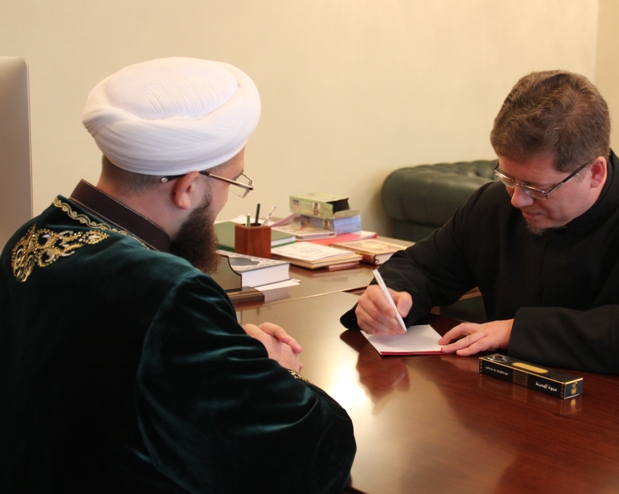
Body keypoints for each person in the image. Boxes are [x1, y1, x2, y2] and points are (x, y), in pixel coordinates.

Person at [0, 57, 356, 492]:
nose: (226, 200)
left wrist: (227, 352)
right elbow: (316, 453)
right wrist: (274, 370)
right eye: (232, 183)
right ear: (187, 188)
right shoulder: (169, 292)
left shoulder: (32, 237)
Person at [342, 70, 619, 382]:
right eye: (507, 178)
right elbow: (423, 267)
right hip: (521, 408)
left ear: (595, 172)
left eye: (537, 188)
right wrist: (392, 296)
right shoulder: (494, 206)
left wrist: (515, 331)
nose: (517, 200)